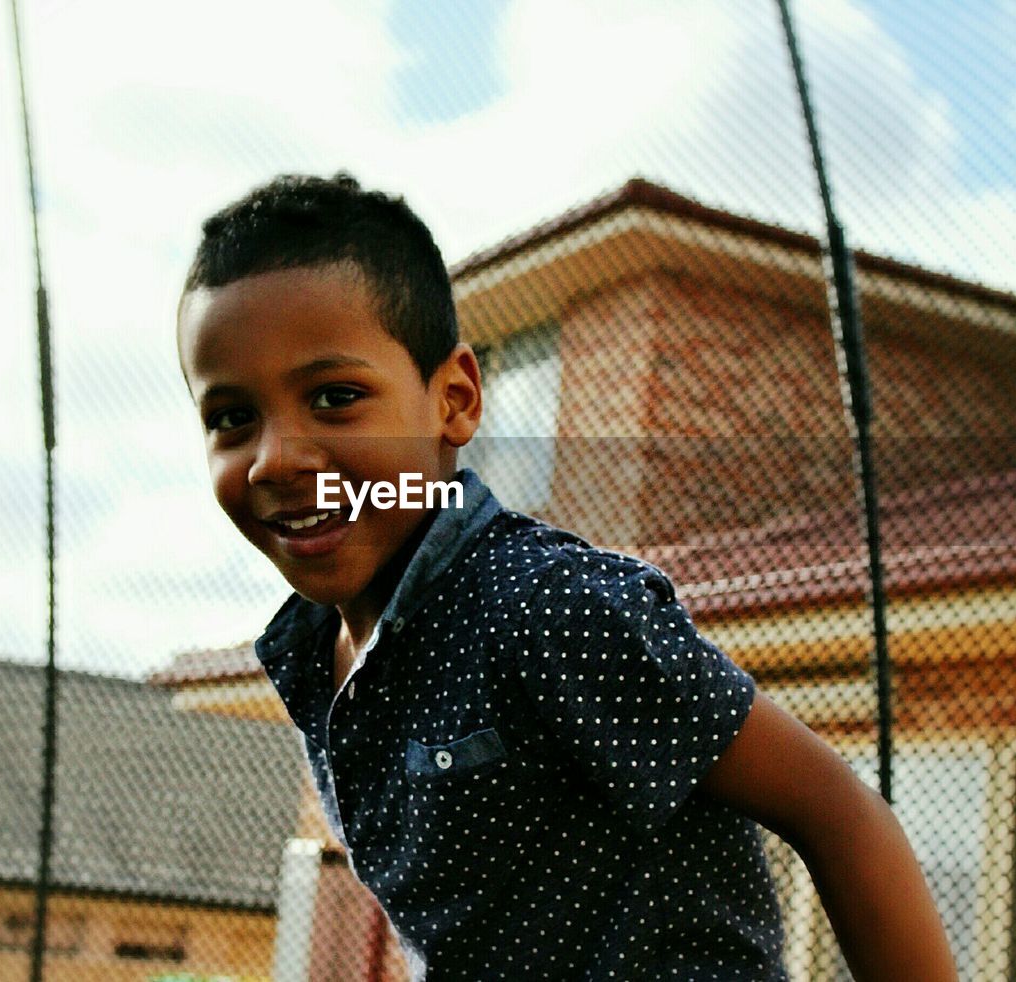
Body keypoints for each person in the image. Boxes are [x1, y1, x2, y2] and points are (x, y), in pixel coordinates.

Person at [176, 172, 957, 981]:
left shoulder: (546, 606)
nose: (276, 458)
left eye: (335, 397)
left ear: (455, 400)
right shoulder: (312, 660)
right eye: (232, 417)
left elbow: (839, 813)